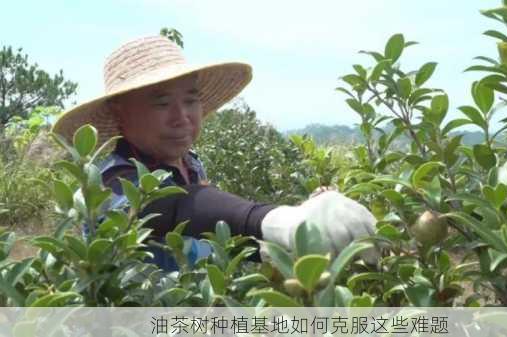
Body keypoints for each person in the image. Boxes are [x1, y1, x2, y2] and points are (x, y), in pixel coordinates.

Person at [52, 36, 377, 271]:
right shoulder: (110, 181)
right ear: (120, 112)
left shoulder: (191, 164)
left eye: (191, 100)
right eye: (162, 102)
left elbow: (213, 227)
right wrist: (279, 220)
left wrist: (292, 236)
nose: (182, 116)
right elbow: (175, 205)